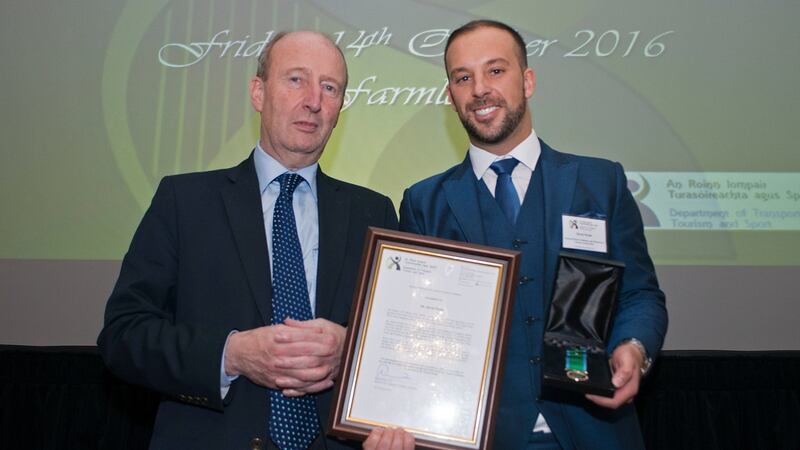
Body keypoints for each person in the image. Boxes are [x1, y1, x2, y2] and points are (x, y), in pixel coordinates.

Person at [98, 31, 398, 450]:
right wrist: (232, 354)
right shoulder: (184, 202)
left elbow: (397, 344)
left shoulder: (375, 212)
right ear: (258, 92)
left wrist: (352, 348)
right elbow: (124, 337)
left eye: (330, 88)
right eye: (296, 80)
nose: (314, 100)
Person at [399, 20, 668, 449]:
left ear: (527, 81)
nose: (480, 89)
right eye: (463, 78)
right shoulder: (423, 202)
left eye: (496, 71)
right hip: (478, 436)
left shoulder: (601, 182)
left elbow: (640, 294)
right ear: (450, 96)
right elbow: (414, 331)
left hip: (595, 431)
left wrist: (634, 348)